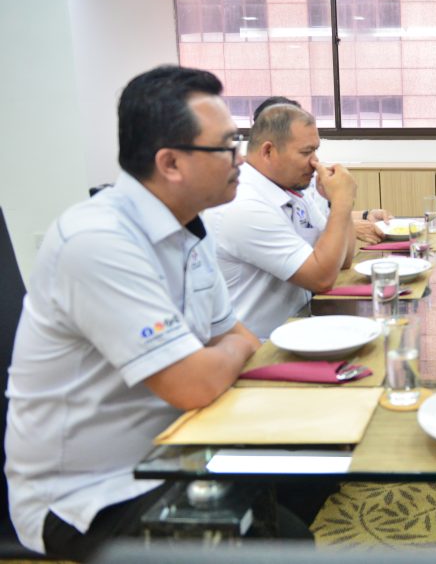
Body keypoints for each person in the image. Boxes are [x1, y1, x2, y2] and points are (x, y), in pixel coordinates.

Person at [4, 66, 263, 559]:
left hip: (177, 452)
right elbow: (194, 382)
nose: (241, 161)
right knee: (273, 544)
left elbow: (238, 336)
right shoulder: (98, 241)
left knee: (294, 502)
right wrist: (217, 358)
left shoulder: (188, 226)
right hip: (91, 494)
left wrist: (219, 355)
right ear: (170, 163)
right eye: (228, 146)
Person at [206, 103, 359, 341]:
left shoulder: (290, 188)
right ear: (268, 151)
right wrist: (341, 202)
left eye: (316, 151)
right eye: (306, 152)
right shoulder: (244, 203)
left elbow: (343, 260)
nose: (315, 162)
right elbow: (321, 278)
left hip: (298, 329)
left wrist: (342, 204)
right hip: (257, 352)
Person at [252, 96, 391, 243]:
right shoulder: (255, 200)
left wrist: (365, 215)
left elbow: (322, 220)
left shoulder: (301, 180)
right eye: (305, 151)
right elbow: (315, 239)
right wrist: (345, 207)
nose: (315, 161)